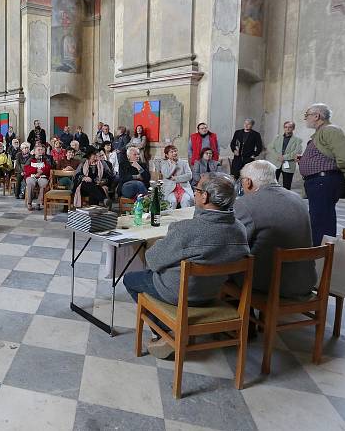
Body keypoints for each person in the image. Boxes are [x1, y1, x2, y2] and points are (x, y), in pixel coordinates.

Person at [123, 173, 249, 359]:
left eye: (197, 190)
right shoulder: (239, 229)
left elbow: (152, 260)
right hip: (212, 292)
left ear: (205, 197)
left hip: (179, 294)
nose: (195, 193)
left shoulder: (186, 230)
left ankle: (167, 332)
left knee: (131, 279)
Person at [233, 161, 315, 297]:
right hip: (305, 280)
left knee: (223, 267)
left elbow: (235, 244)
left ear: (248, 182)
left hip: (269, 283)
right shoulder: (297, 198)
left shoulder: (245, 204)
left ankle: (240, 313)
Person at [299, 103, 345, 245]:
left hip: (324, 182)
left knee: (321, 222)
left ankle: (321, 257)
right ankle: (321, 256)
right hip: (320, 182)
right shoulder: (321, 132)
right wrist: (307, 161)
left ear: (317, 116)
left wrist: (330, 171)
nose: (305, 118)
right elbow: (326, 155)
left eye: (307, 115)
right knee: (319, 220)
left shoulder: (330, 130)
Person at [267, 121, 302, 190]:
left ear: (293, 128)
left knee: (287, 185)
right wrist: (278, 156)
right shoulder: (277, 138)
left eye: (290, 127)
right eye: (286, 127)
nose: (287, 129)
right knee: (272, 184)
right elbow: (270, 147)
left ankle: (286, 199)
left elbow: (298, 151)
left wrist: (284, 157)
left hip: (289, 164)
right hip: (276, 163)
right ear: (284, 128)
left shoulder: (298, 140)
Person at [23, 144, 52, 211]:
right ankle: (29, 203)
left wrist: (41, 171)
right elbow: (26, 169)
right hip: (31, 176)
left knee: (44, 184)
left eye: (41, 150)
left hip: (42, 176)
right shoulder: (30, 158)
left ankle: (38, 203)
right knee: (30, 183)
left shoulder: (46, 159)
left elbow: (49, 168)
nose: (40, 151)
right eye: (38, 150)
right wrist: (36, 170)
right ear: (34, 151)